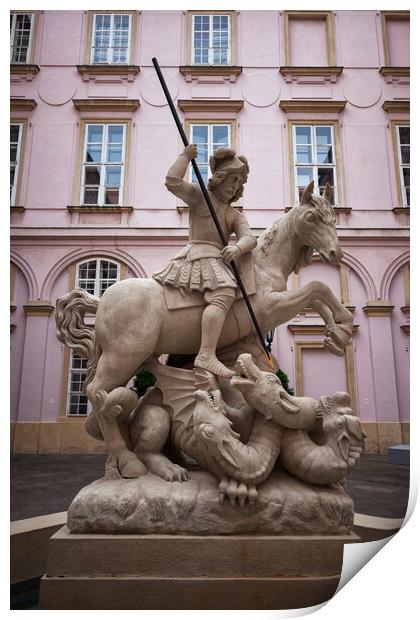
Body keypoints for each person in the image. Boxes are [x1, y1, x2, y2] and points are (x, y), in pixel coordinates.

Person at [153, 145, 257, 378]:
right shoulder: (201, 197)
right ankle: (206, 354)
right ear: (219, 179)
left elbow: (250, 238)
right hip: (198, 253)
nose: (235, 187)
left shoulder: (233, 214)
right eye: (232, 180)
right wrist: (185, 157)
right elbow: (172, 181)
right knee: (224, 292)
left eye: (239, 183)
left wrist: (237, 248)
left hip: (217, 257)